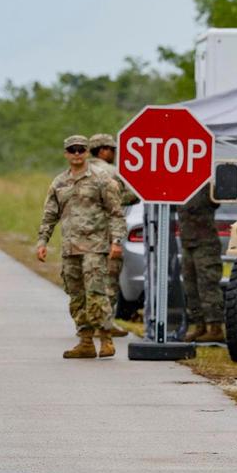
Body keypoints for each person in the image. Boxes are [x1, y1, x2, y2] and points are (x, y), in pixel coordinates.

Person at [35, 135, 125, 359]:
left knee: (96, 293)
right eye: (72, 150)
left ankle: (105, 338)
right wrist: (42, 241)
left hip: (95, 246)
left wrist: (116, 241)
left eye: (81, 150)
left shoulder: (102, 179)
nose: (76, 154)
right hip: (70, 247)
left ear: (87, 152)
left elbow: (115, 213)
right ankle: (85, 341)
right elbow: (49, 215)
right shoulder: (59, 182)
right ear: (66, 154)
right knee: (76, 296)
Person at [88, 133, 139, 336]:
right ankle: (105, 323)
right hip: (107, 232)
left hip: (83, 234)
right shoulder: (111, 172)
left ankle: (87, 323)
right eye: (113, 150)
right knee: (109, 278)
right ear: (103, 150)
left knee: (88, 278)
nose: (115, 154)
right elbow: (133, 194)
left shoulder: (78, 170)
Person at [179, 185, 225, 343]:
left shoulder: (206, 186)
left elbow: (216, 201)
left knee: (208, 286)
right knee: (190, 287)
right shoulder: (180, 186)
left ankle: (215, 327)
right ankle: (199, 326)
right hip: (187, 243)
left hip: (205, 244)